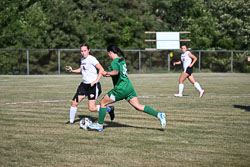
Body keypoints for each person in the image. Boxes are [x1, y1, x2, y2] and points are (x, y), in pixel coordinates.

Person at [88, 45, 166, 131]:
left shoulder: (114, 62)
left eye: (108, 54)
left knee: (103, 103)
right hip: (129, 87)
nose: (108, 55)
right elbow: (118, 72)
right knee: (138, 106)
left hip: (121, 89)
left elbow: (116, 72)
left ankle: (99, 125)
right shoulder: (121, 60)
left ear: (110, 52)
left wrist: (107, 73)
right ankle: (159, 115)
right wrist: (108, 74)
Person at [65, 43, 114, 124]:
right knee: (74, 103)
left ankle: (109, 109)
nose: (83, 52)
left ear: (89, 50)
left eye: (85, 50)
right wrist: (72, 70)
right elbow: (81, 69)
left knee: (91, 108)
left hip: (93, 86)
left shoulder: (92, 59)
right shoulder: (82, 59)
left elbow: (101, 69)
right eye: (81, 51)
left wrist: (96, 81)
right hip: (83, 86)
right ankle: (71, 122)